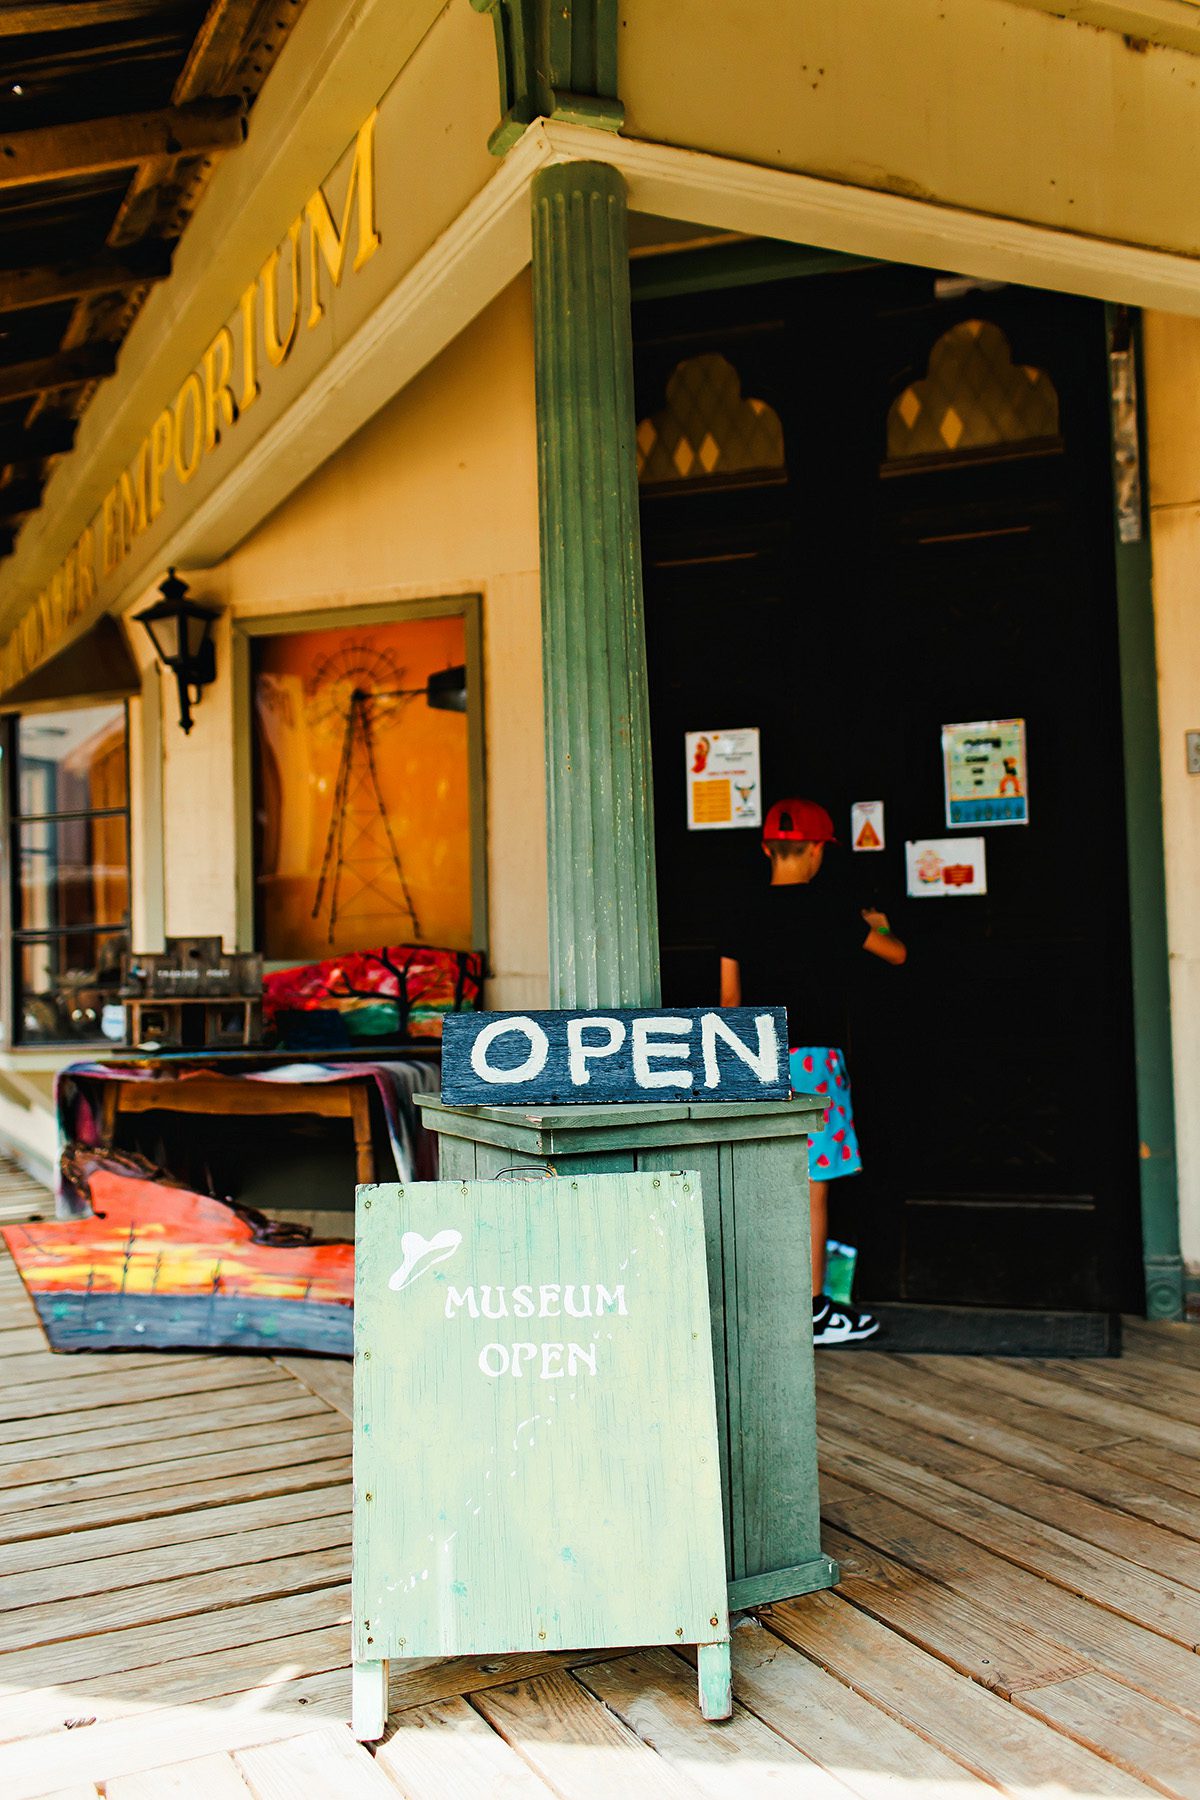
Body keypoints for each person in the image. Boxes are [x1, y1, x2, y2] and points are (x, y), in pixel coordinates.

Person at [719, 797, 907, 1346]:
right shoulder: (832, 912)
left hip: (755, 1056)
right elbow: (895, 955)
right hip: (815, 1061)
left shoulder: (740, 913)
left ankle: (757, 1298)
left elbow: (729, 1001)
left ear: (766, 848)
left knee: (757, 1178)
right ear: (819, 849)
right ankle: (814, 1310)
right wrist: (880, 923)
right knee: (812, 1185)